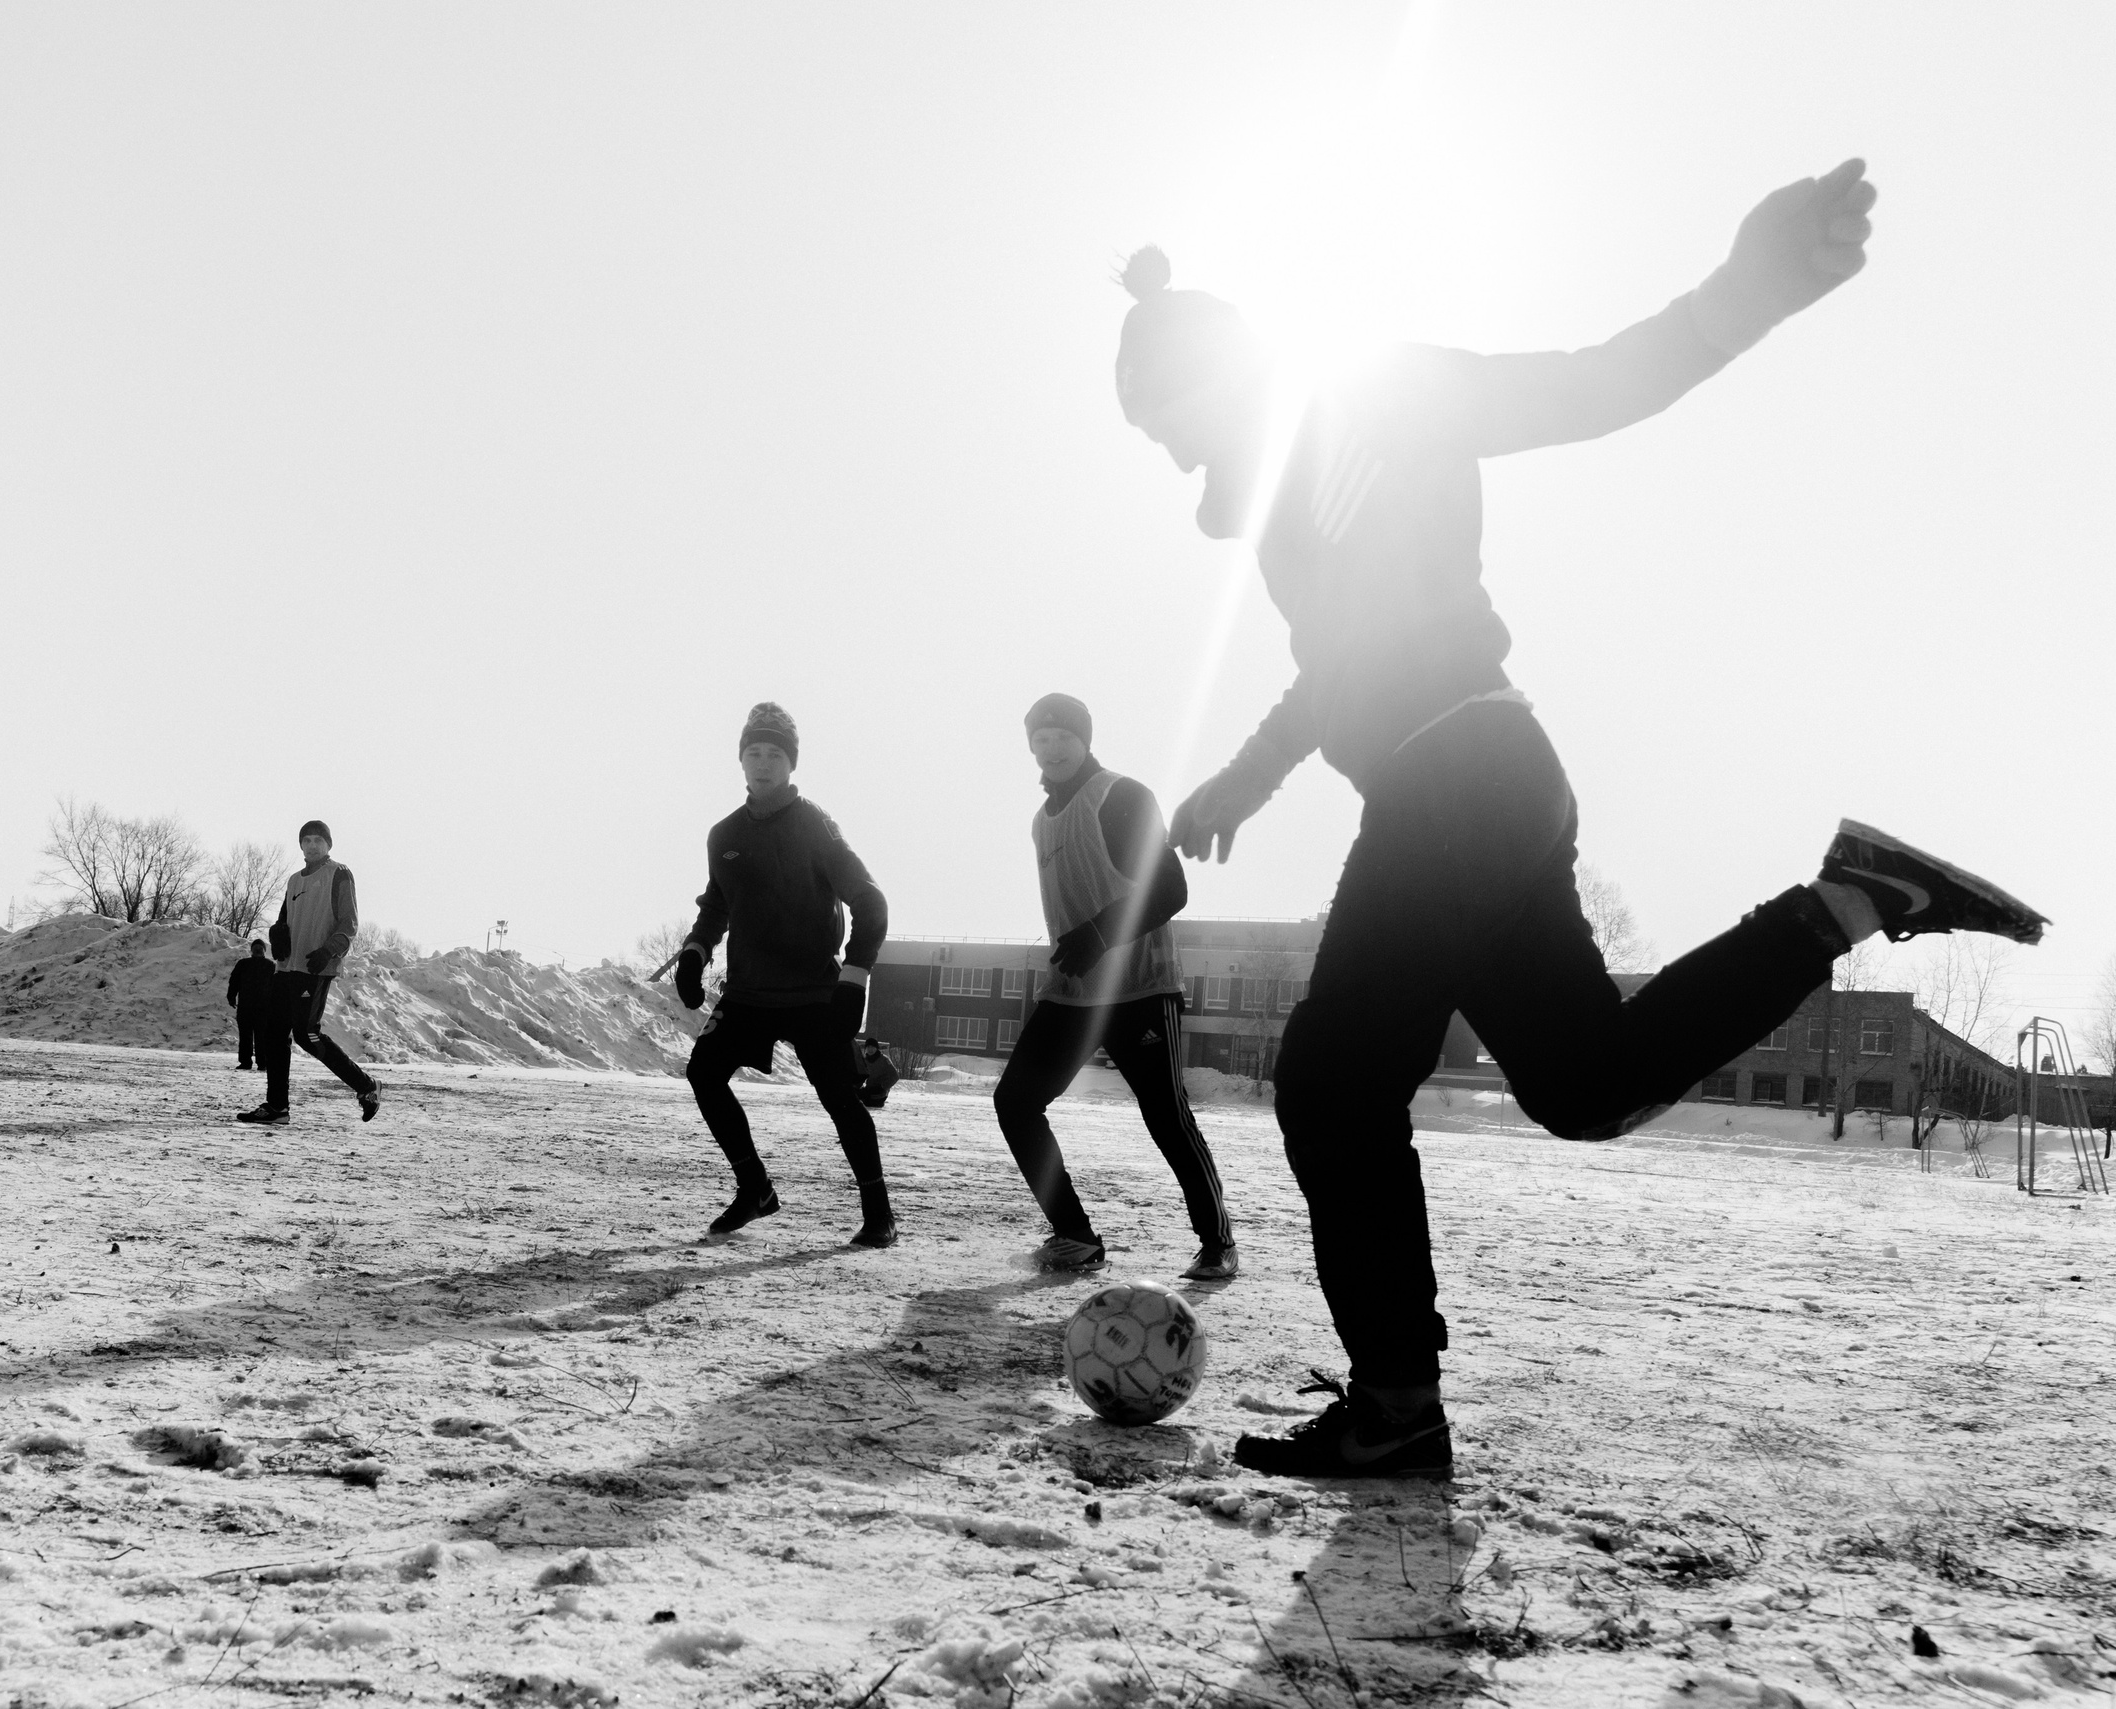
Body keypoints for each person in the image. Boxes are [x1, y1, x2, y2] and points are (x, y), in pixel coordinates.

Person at [1119, 160, 2049, 1479]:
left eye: (1173, 426)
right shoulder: (1293, 526)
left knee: (1331, 1085)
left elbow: (1592, 385)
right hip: (1485, 782)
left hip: (1457, 778)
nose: (1181, 460)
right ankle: (1851, 897)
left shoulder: (1381, 397)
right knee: (1585, 1082)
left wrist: (1749, 290)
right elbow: (1335, 669)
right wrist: (1245, 778)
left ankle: (1396, 1402)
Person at [994, 695, 1236, 1280]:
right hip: (1073, 992)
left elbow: (1171, 887)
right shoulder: (1041, 820)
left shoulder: (1121, 796)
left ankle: (1218, 1241)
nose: (1051, 748)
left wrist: (1099, 934)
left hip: (1140, 989)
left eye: (1063, 736)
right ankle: (1075, 1236)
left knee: (1165, 1114)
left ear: (1085, 740)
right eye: (1040, 738)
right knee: (1015, 1102)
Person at [674, 702, 897, 1247]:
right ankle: (755, 1189)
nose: (763, 762)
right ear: (741, 760)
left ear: (791, 763)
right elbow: (717, 906)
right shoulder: (723, 833)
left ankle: (879, 1213)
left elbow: (871, 902)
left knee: (839, 1099)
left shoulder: (815, 826)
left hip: (814, 991)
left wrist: (855, 976)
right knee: (704, 1074)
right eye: (754, 752)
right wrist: (695, 951)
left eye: (775, 753)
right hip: (750, 990)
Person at [238, 821, 383, 1126]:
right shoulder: (293, 881)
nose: (313, 845)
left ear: (328, 844)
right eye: (307, 840)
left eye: (319, 840)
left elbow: (349, 923)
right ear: (301, 845)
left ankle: (367, 1087)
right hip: (287, 968)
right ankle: (277, 1108)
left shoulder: (339, 873)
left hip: (316, 968)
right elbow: (282, 920)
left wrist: (329, 951)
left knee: (307, 1034)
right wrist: (277, 936)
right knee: (274, 1034)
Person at [225, 938, 276, 1071]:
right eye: (256, 948)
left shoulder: (266, 965)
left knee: (254, 1035)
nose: (258, 950)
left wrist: (231, 996)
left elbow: (234, 982)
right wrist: (231, 996)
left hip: (255, 1007)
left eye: (259, 948)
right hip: (253, 1007)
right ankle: (257, 1062)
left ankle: (253, 1062)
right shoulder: (268, 965)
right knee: (256, 1035)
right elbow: (234, 981)